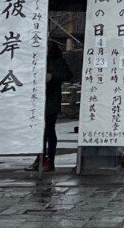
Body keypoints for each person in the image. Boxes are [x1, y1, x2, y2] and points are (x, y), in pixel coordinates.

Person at [32, 41, 74, 172]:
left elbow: (68, 75)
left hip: (51, 98)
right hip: (37, 97)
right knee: (39, 129)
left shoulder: (57, 60)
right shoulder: (37, 58)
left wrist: (53, 76)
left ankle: (49, 159)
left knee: (49, 128)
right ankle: (40, 157)